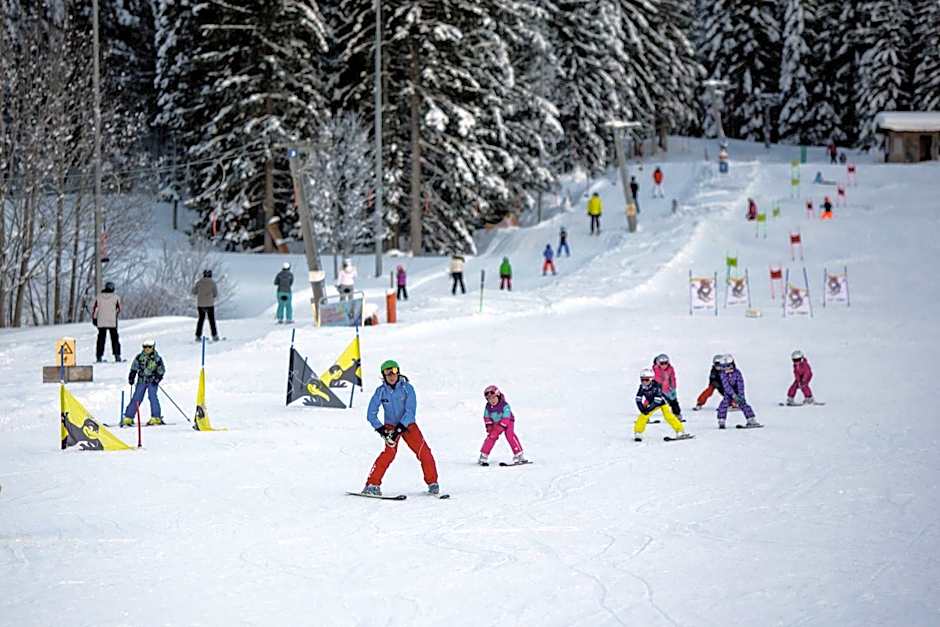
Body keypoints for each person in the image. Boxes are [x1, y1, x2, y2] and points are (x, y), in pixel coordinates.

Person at [362, 359, 440, 496]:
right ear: (383, 375)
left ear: (399, 372)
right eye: (388, 372)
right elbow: (371, 414)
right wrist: (383, 431)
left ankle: (432, 483)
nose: (391, 375)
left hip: (408, 425)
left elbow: (410, 411)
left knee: (424, 452)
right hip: (390, 427)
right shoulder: (381, 392)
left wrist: (399, 430)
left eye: (394, 371)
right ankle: (372, 484)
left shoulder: (407, 388)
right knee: (388, 454)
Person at [633, 369, 690, 442]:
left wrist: (648, 409)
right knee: (643, 416)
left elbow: (657, 401)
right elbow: (638, 399)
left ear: (651, 379)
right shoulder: (642, 387)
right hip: (652, 403)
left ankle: (680, 431)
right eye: (642, 380)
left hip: (661, 403)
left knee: (668, 416)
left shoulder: (656, 386)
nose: (644, 382)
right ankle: (638, 432)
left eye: (646, 380)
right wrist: (642, 409)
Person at [478, 385, 527, 465]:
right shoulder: (488, 407)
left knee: (509, 435)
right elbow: (486, 416)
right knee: (492, 436)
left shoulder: (504, 406)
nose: (492, 401)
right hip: (496, 423)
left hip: (508, 421)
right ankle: (483, 455)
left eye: (494, 398)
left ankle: (519, 454)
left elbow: (506, 417)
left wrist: (501, 426)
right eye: (489, 399)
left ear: (498, 396)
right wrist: (489, 426)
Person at [122, 339, 166, 427]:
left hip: (152, 381)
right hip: (141, 381)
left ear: (153, 348)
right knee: (137, 398)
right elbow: (134, 367)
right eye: (145, 347)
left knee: (152, 397)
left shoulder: (157, 358)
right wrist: (132, 376)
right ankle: (129, 416)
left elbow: (161, 370)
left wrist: (157, 378)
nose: (147, 349)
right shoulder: (139, 357)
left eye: (149, 347)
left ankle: (156, 416)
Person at [716, 354, 760, 429]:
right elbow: (726, 386)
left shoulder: (737, 373)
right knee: (724, 404)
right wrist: (733, 395)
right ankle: (721, 420)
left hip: (738, 391)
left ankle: (751, 419)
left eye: (729, 366)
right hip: (729, 393)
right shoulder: (723, 374)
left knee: (743, 403)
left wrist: (741, 395)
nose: (727, 368)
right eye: (724, 366)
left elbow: (740, 384)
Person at [92, 281, 122, 362]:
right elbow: (119, 309)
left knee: (101, 339)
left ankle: (99, 357)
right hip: (112, 322)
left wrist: (94, 319)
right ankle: (117, 356)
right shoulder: (116, 297)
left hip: (101, 321)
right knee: (115, 339)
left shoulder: (99, 297)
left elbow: (95, 309)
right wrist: (113, 314)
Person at [652, 353, 683, 422]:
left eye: (665, 363)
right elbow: (656, 378)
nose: (664, 365)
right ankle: (645, 415)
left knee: (674, 402)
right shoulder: (656, 369)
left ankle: (677, 414)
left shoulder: (670, 369)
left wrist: (673, 387)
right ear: (658, 363)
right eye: (662, 363)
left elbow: (673, 378)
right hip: (658, 389)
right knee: (653, 402)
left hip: (667, 389)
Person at [192, 269, 220, 341]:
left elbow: (194, 292)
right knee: (211, 320)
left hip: (200, 304)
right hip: (210, 304)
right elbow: (215, 294)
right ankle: (214, 335)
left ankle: (198, 336)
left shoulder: (199, 282)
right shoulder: (212, 283)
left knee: (201, 320)